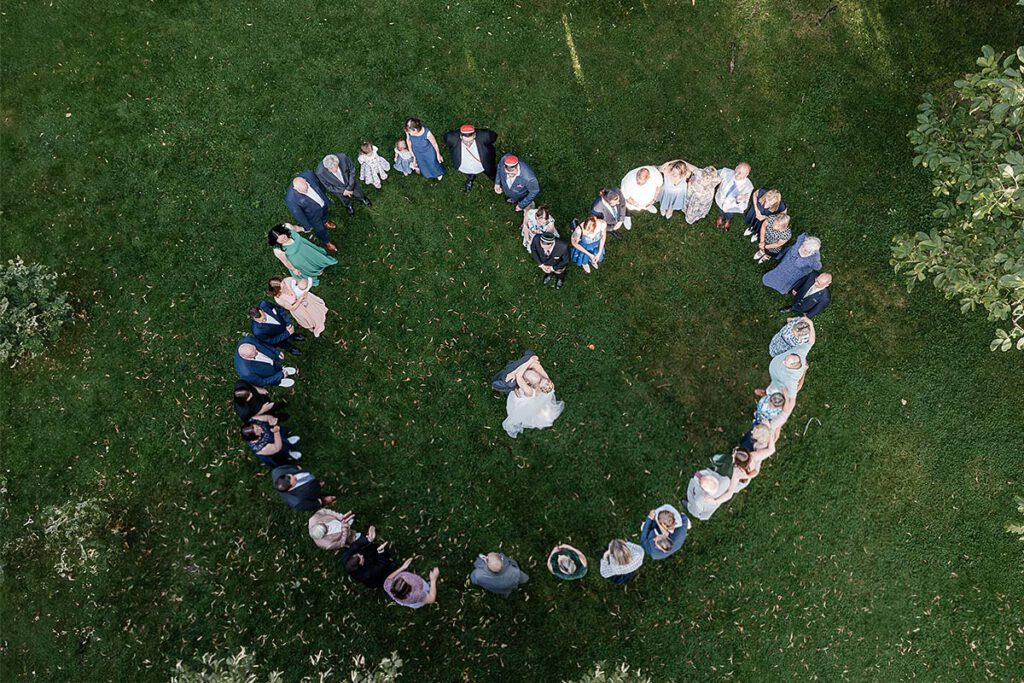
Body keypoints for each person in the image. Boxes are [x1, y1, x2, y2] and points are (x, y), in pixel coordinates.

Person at [502, 355, 564, 438]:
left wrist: (527, 363)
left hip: (519, 398)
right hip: (523, 382)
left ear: (539, 388)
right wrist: (531, 361)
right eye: (550, 383)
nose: (549, 383)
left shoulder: (530, 391)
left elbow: (518, 376)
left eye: (546, 385)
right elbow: (535, 364)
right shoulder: (544, 379)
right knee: (530, 356)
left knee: (509, 381)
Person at [267, 224, 337, 286]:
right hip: (299, 260)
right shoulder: (277, 250)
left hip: (307, 249)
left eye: (284, 237)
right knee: (308, 266)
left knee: (314, 258)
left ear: (284, 232)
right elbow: (285, 261)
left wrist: (304, 229)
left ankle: (319, 266)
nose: (284, 240)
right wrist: (293, 269)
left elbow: (296, 228)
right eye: (281, 241)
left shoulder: (288, 227)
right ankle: (316, 272)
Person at [285, 172, 337, 252]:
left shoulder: (309, 174)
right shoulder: (291, 200)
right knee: (320, 230)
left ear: (305, 181)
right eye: (304, 191)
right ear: (296, 189)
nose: (307, 191)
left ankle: (325, 221)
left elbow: (319, 184)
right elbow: (298, 215)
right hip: (313, 217)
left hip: (322, 204)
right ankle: (326, 242)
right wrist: (307, 226)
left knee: (325, 213)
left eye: (307, 187)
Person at [442, 124, 498, 192]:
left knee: (491, 172)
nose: (468, 144)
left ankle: (495, 180)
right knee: (468, 173)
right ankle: (470, 178)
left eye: (470, 141)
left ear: (474, 135)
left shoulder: (486, 136)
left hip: (485, 163)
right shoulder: (450, 138)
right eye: (465, 142)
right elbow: (445, 139)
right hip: (465, 166)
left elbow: (494, 136)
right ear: (460, 136)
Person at [271, 465, 336, 511]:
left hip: (312, 483)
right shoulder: (298, 502)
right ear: (290, 488)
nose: (294, 476)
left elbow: (288, 467)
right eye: (295, 480)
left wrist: (296, 468)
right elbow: (311, 505)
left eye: (291, 475)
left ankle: (317, 483)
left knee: (315, 482)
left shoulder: (277, 471)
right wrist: (321, 501)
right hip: (313, 492)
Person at [715, 163, 754, 230]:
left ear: (747, 175)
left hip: (731, 206)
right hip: (720, 200)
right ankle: (720, 217)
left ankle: (728, 221)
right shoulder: (726, 172)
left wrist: (738, 201)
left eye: (742, 173)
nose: (738, 174)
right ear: (735, 168)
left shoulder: (748, 187)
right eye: (738, 171)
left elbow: (743, 207)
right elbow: (713, 174)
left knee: (729, 214)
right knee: (721, 211)